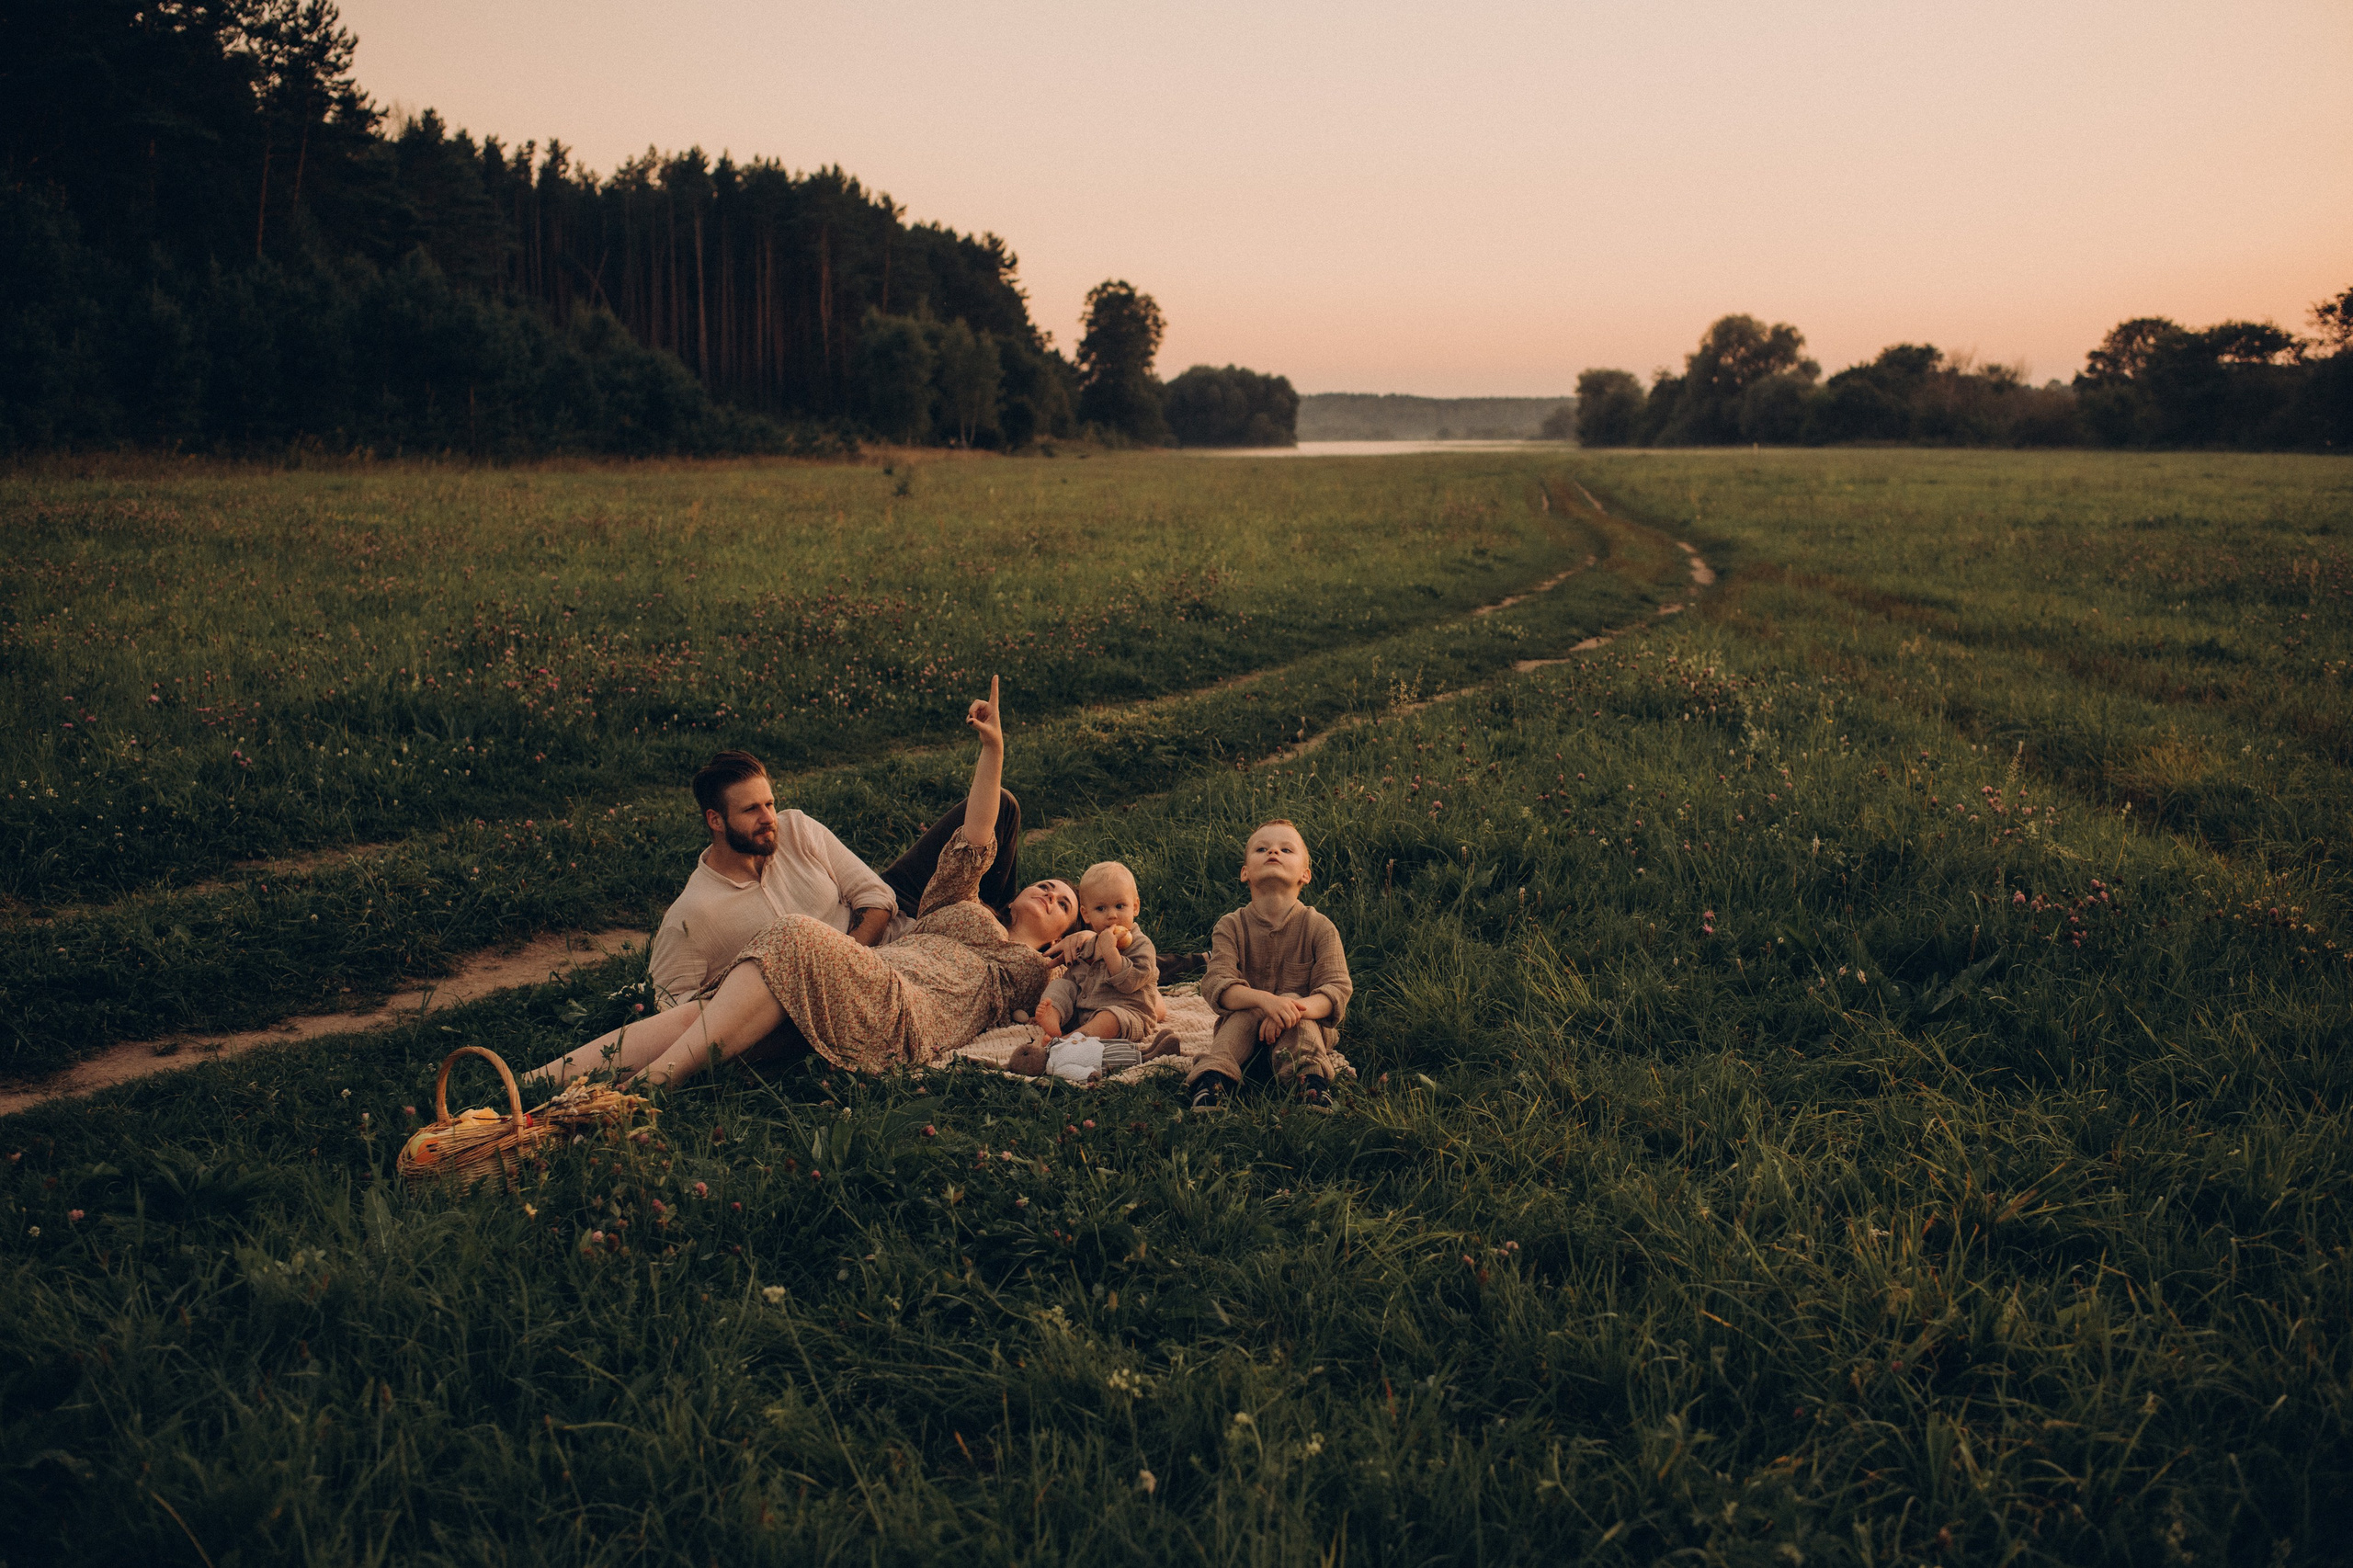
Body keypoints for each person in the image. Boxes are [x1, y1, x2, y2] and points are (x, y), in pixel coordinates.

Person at [534, 678, 1074, 1090]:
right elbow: (977, 836)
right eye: (1047, 883)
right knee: (706, 1008)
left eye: (1064, 903)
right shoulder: (957, 901)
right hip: (869, 972)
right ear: (714, 820)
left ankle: (649, 1088)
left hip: (909, 1012)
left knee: (792, 936)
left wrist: (1099, 945)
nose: (1050, 891)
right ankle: (537, 1080)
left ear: (1062, 936)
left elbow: (1122, 983)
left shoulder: (1041, 970)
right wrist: (992, 751)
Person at [647, 749, 1022, 1009]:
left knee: (1000, 805)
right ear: (715, 820)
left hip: (893, 911)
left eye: (770, 803)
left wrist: (850, 953)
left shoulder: (795, 829)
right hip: (870, 978)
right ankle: (1009, 942)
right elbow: (669, 1000)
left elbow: (878, 896)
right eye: (751, 809)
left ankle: (1002, 924)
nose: (768, 818)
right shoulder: (694, 915)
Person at [1186, 818, 1352, 1113]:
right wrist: (1266, 1001)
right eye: (1262, 848)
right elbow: (1217, 984)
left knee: (1303, 1025)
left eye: (1286, 849)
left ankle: (1309, 1082)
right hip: (1243, 1031)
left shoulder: (1320, 927)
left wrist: (1290, 1007)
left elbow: (1335, 990)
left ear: (1306, 874)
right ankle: (1213, 1079)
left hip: (1303, 1026)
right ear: (1245, 872)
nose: (1273, 852)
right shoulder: (1230, 925)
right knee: (1243, 1015)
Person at [1034, 860, 1162, 1043]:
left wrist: (1110, 951)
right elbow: (1075, 979)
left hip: (1127, 1014)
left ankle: (1068, 1042)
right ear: (1086, 915)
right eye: (1101, 908)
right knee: (1061, 984)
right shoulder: (1089, 946)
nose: (1112, 915)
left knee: (1109, 1018)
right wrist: (1060, 1000)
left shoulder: (1141, 945)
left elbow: (1130, 983)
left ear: (1135, 907)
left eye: (1120, 906)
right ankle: (1053, 1018)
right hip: (1083, 1014)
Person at [1005, 1027, 1185, 1085]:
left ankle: (1149, 1049)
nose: (1032, 1048)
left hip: (1099, 1046)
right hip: (1101, 1060)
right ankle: (1156, 1055)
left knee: (1128, 1049)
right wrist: (1089, 1075)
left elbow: (1070, 1041)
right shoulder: (1055, 1068)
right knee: (1127, 1058)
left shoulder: (1052, 1048)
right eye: (1027, 1053)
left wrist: (1079, 1035)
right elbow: (1073, 1071)